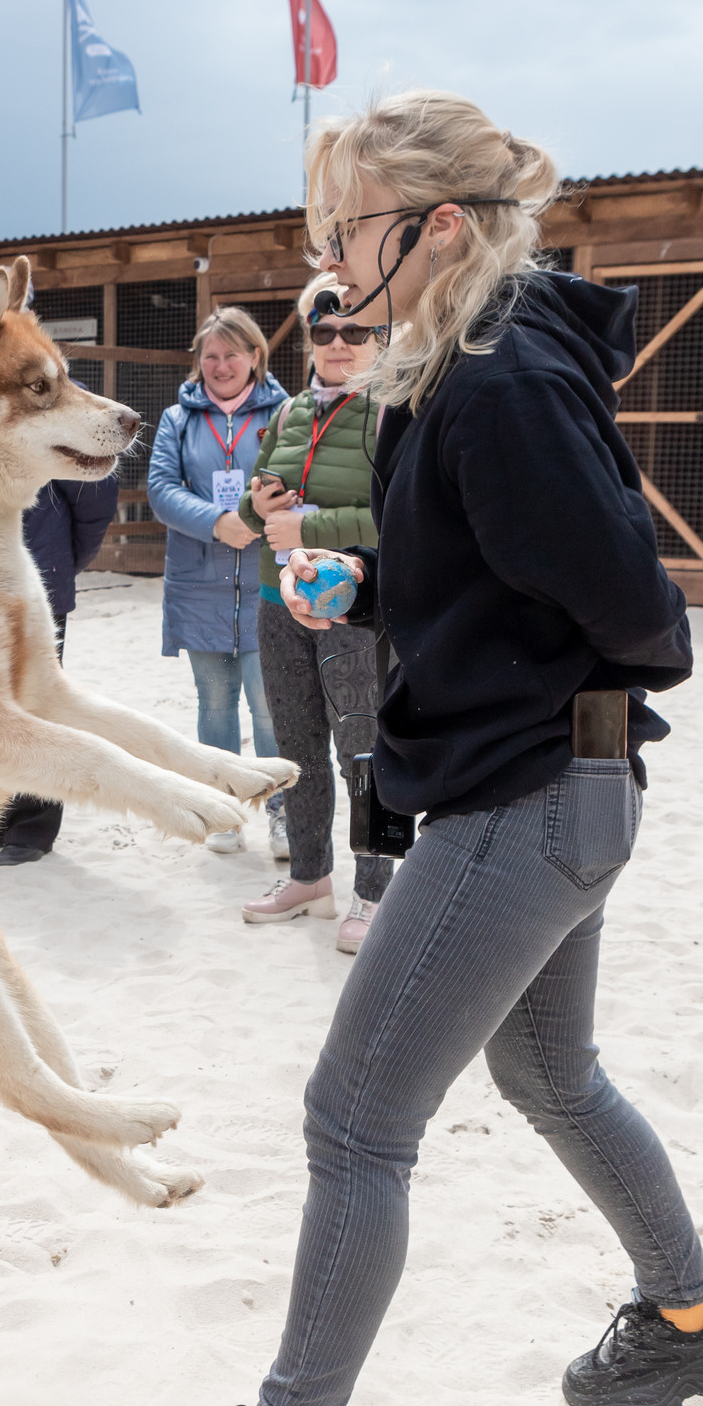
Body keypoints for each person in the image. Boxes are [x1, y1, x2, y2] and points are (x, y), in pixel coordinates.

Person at [122, 92, 703, 1406]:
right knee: (553, 1078)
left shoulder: (495, 377)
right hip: (572, 783)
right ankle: (693, 1319)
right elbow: (508, 568)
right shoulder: (475, 358)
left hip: (528, 792)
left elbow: (635, 607)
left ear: (432, 227)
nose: (328, 254)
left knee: (355, 1116)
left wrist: (527, 676)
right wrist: (377, 591)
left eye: (343, 228)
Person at [235, 273, 393, 953]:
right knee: (295, 749)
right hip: (279, 603)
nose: (337, 342)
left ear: (381, 337)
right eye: (324, 330)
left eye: (355, 330)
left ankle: (377, 890)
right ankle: (309, 876)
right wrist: (262, 508)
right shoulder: (290, 410)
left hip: (354, 608)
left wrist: (310, 525)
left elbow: (398, 518)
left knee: (366, 750)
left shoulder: (393, 411)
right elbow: (250, 513)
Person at [145, 306, 288, 855]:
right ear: (199, 362)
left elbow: (297, 479)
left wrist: (251, 521)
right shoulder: (176, 421)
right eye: (211, 356)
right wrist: (216, 522)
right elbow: (161, 489)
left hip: (266, 584)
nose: (221, 364)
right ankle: (224, 811)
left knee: (271, 706)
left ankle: (281, 810)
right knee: (214, 704)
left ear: (255, 356)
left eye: (232, 354)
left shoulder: (284, 413)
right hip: (198, 587)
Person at [0, 469, 119, 866]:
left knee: (37, 704)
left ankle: (32, 826)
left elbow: (95, 499)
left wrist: (63, 560)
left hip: (38, 571)